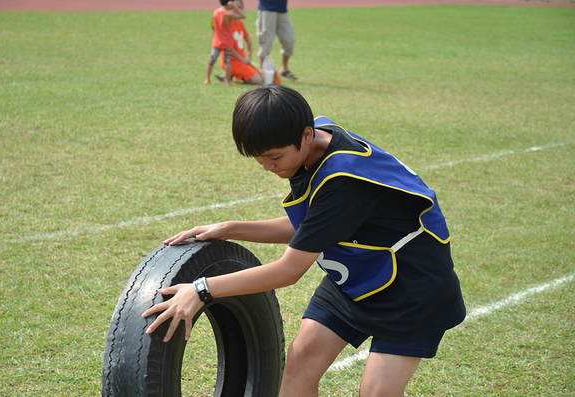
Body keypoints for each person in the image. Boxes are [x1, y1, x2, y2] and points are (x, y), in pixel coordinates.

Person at [143, 86, 466, 396]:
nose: (268, 167)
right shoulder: (316, 136)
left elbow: (289, 270)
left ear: (306, 136)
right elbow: (315, 227)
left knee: (377, 393)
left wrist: (202, 289)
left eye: (274, 157)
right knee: (297, 368)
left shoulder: (343, 182)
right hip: (358, 275)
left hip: (413, 289)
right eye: (259, 159)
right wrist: (229, 228)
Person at [216, 0, 281, 85]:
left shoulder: (239, 22)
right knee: (257, 80)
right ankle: (232, 75)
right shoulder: (227, 23)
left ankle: (232, 75)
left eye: (239, 7)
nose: (236, 10)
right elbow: (228, 48)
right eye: (234, 7)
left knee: (262, 77)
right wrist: (242, 59)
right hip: (232, 62)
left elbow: (248, 40)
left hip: (241, 61)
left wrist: (249, 57)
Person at [205, 0, 246, 86]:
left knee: (212, 60)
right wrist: (235, 7)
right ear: (229, 3)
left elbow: (213, 25)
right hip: (227, 42)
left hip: (217, 41)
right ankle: (227, 81)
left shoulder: (216, 11)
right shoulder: (227, 14)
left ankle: (207, 79)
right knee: (228, 62)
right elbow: (243, 16)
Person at [257, 0, 298, 80]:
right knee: (265, 42)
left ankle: (284, 69)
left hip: (282, 10)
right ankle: (263, 73)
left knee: (289, 40)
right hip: (267, 9)